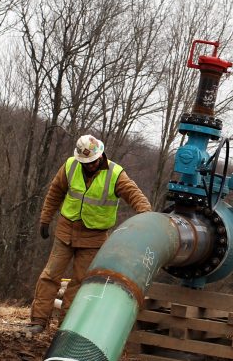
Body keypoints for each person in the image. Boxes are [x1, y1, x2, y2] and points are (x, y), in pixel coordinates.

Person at [25, 134, 152, 334]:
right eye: (87, 162)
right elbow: (55, 193)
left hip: (94, 238)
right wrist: (45, 218)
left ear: (100, 156)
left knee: (79, 282)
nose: (90, 165)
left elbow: (135, 195)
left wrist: (146, 217)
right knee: (50, 276)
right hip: (66, 231)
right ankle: (38, 322)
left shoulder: (115, 174)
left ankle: (66, 328)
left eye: (93, 162)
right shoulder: (70, 166)